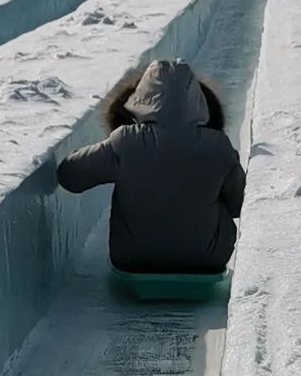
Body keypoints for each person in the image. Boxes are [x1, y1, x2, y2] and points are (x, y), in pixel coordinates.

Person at [57, 59, 245, 275]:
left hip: (132, 259)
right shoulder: (219, 146)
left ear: (141, 98)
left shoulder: (125, 141)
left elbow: (69, 176)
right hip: (207, 260)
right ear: (198, 100)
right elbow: (239, 205)